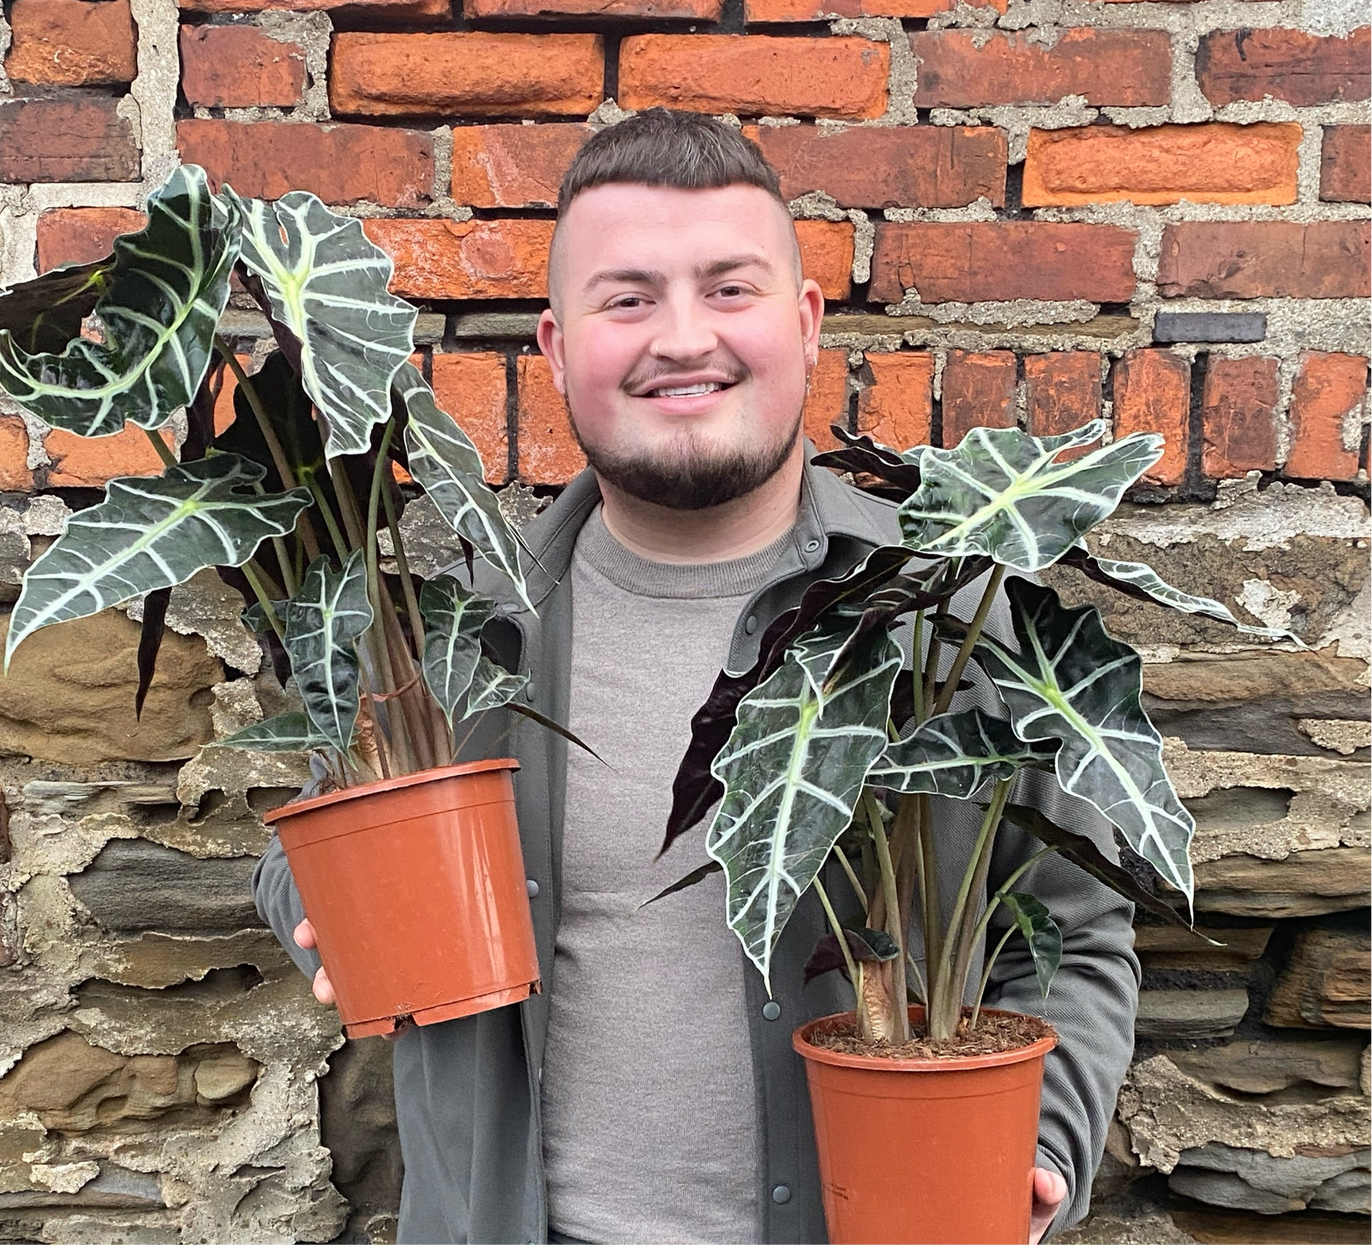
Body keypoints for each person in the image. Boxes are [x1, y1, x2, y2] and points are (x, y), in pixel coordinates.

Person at [253, 108, 1139, 1245]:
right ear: (556, 347)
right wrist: (318, 912)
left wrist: (1042, 1148)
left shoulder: (950, 617)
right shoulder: (452, 625)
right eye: (626, 299)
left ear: (807, 323)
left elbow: (1074, 926)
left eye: (729, 289)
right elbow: (307, 843)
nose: (681, 339)